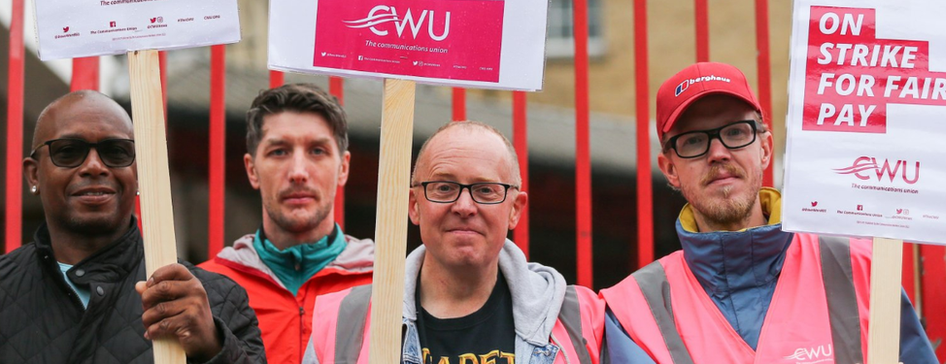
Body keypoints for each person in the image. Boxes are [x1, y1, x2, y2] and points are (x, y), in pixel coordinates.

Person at [600, 62, 938, 363]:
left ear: (764, 149)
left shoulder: (859, 271)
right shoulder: (632, 312)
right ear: (669, 169)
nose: (718, 153)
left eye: (735, 133)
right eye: (693, 141)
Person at [303, 121, 604, 364]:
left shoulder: (582, 320)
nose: (464, 206)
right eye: (444, 187)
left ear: (514, 210)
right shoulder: (342, 322)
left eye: (485, 190)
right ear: (414, 205)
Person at [0, 90, 265, 364]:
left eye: (115, 152)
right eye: (68, 152)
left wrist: (213, 347)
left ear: (138, 174)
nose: (94, 166)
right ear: (34, 174)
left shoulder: (214, 301)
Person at [200, 83, 373, 364]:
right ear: (252, 170)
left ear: (343, 168)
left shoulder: (390, 287)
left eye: (317, 151)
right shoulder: (205, 290)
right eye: (279, 151)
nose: (298, 173)